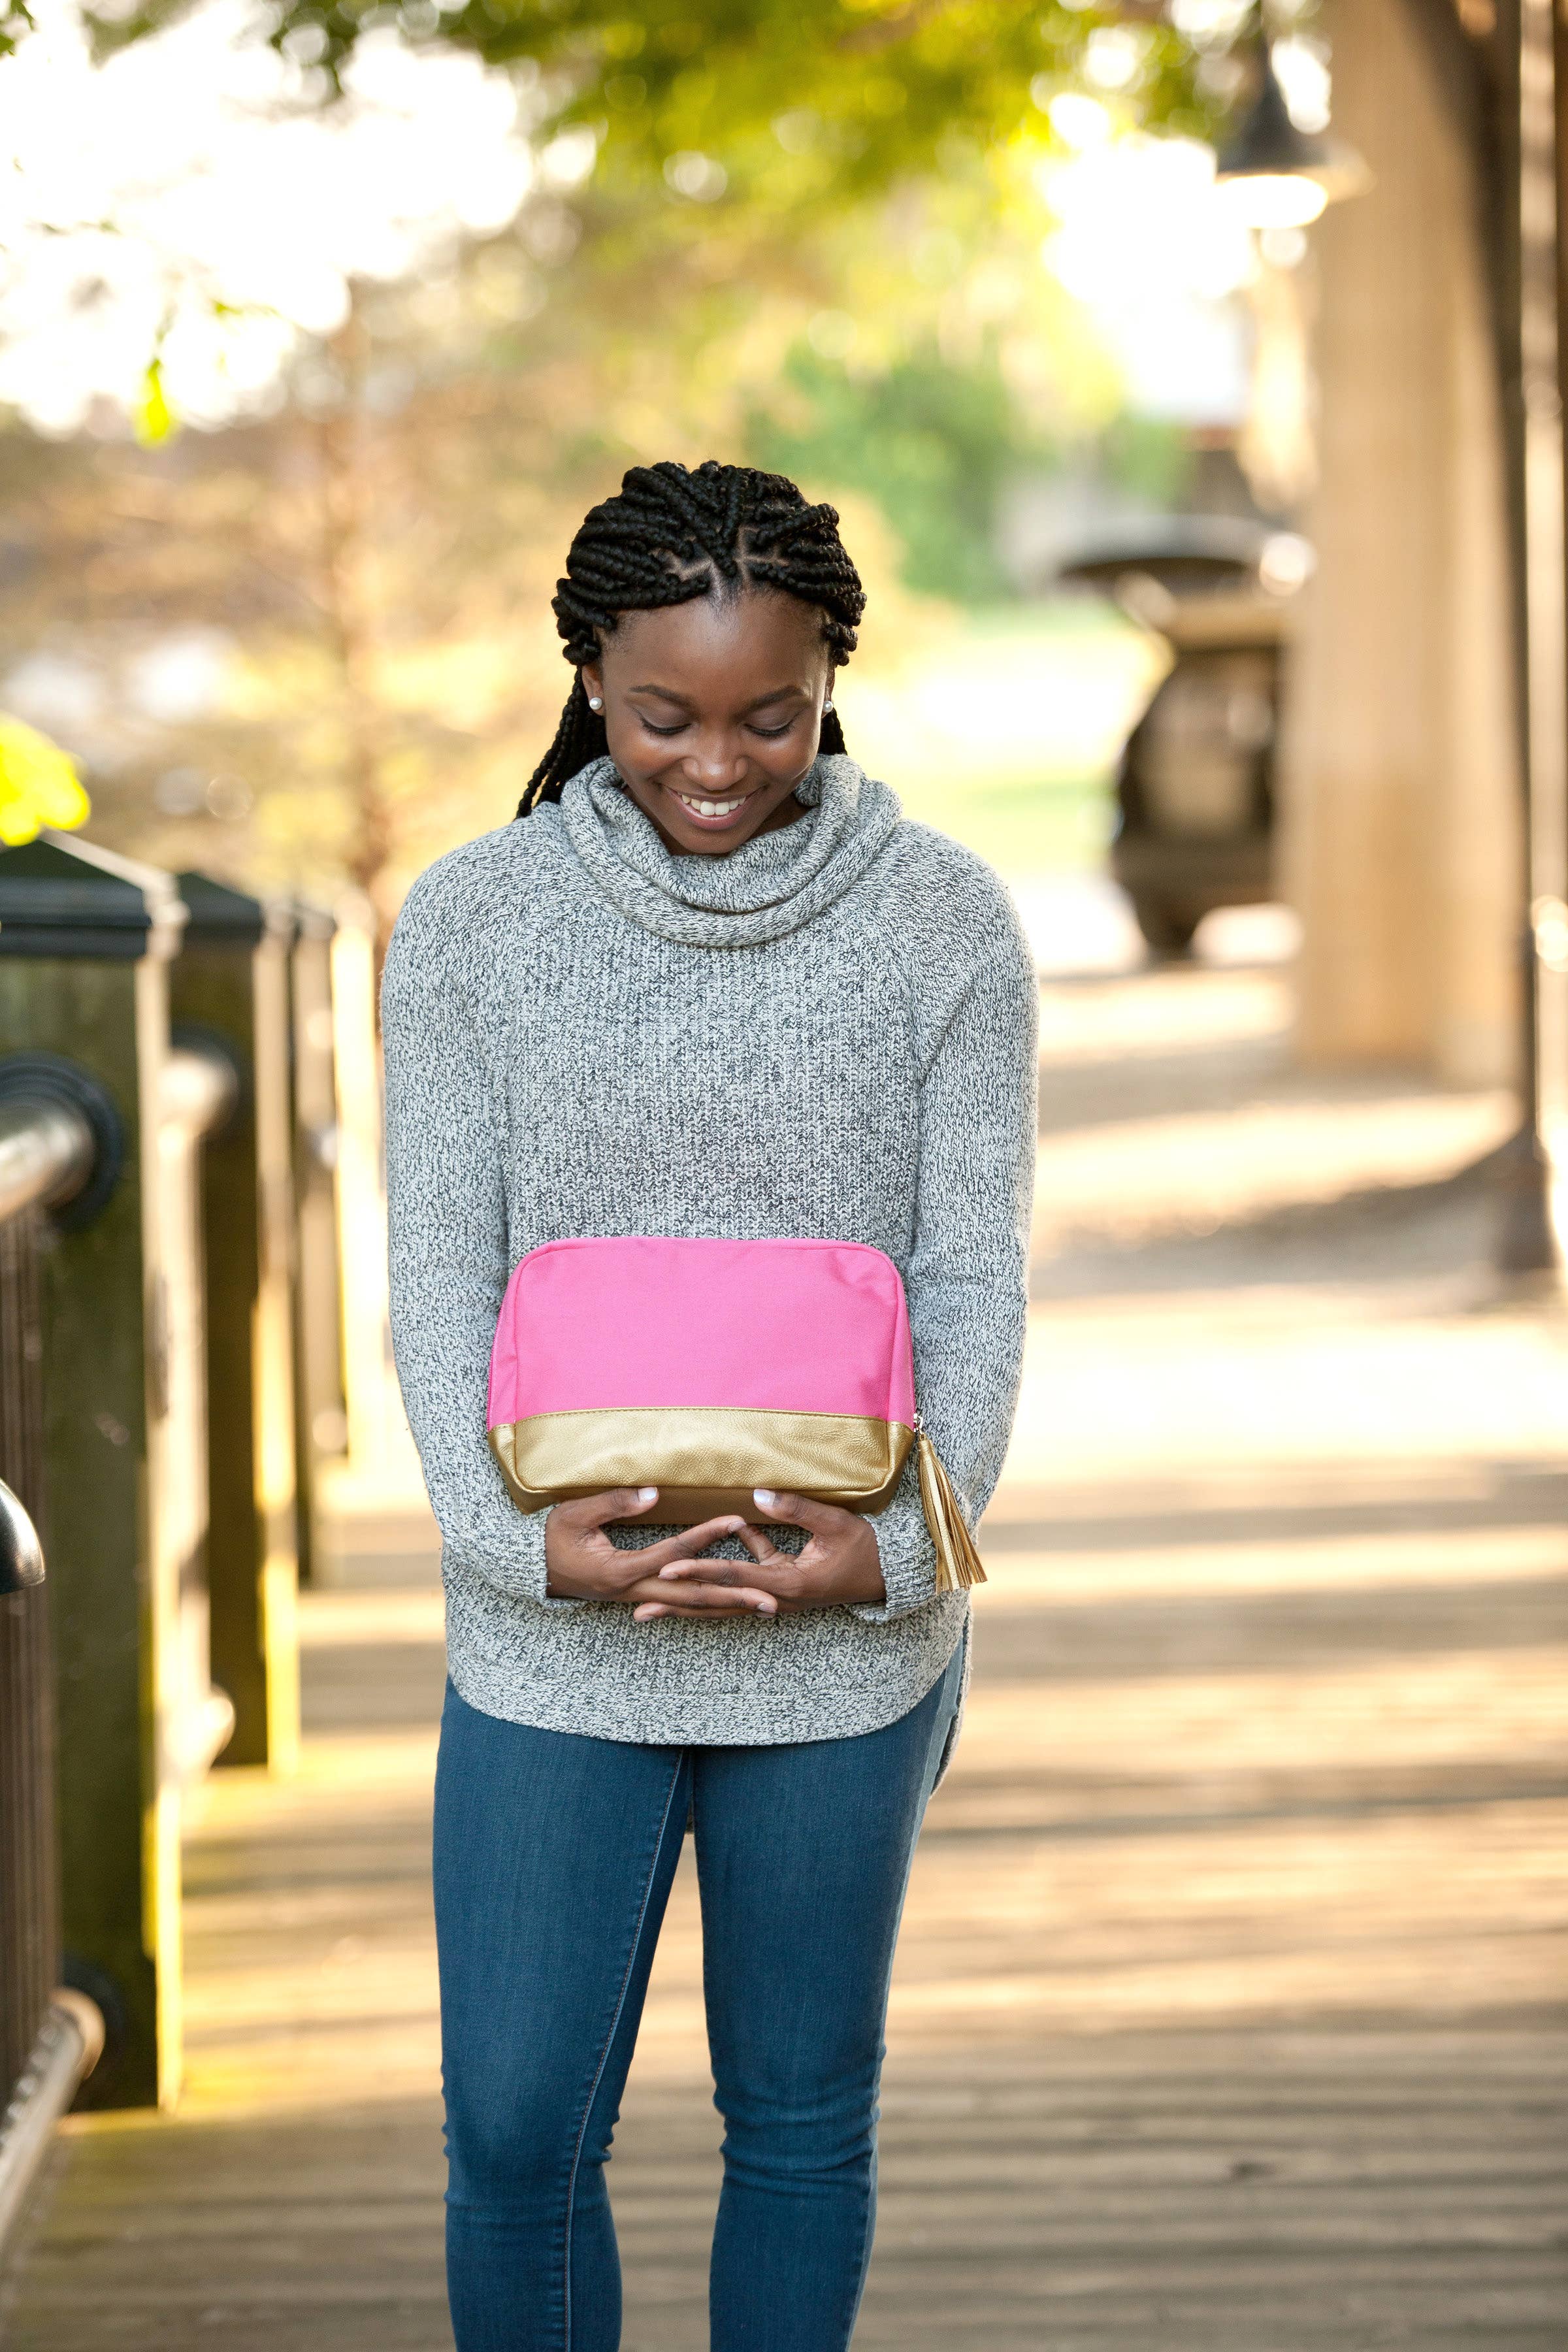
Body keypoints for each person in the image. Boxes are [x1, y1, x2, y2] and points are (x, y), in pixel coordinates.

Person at [383, 458, 1037, 2352]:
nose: (720, 762)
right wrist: (516, 1546)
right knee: (512, 2134)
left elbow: (975, 1270)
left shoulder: (945, 927)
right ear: (589, 676)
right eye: (666, 714)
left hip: (841, 1639)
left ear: (835, 674)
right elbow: (439, 1270)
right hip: (547, 1644)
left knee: (802, 2127)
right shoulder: (477, 926)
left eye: (775, 713)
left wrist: (899, 1554)